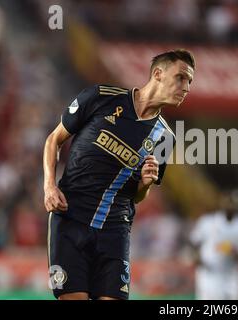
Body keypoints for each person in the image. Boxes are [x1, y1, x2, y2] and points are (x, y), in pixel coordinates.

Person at [43, 49, 195, 300]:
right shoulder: (100, 97)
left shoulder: (166, 138)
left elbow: (136, 198)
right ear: (158, 73)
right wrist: (49, 186)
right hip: (70, 219)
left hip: (114, 230)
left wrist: (145, 184)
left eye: (190, 81)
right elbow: (53, 140)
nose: (186, 87)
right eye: (181, 77)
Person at [189, 188, 238, 300]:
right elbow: (193, 242)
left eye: (233, 201)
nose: (230, 204)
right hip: (209, 273)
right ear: (221, 201)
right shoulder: (207, 222)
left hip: (231, 275)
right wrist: (196, 256)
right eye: (227, 200)